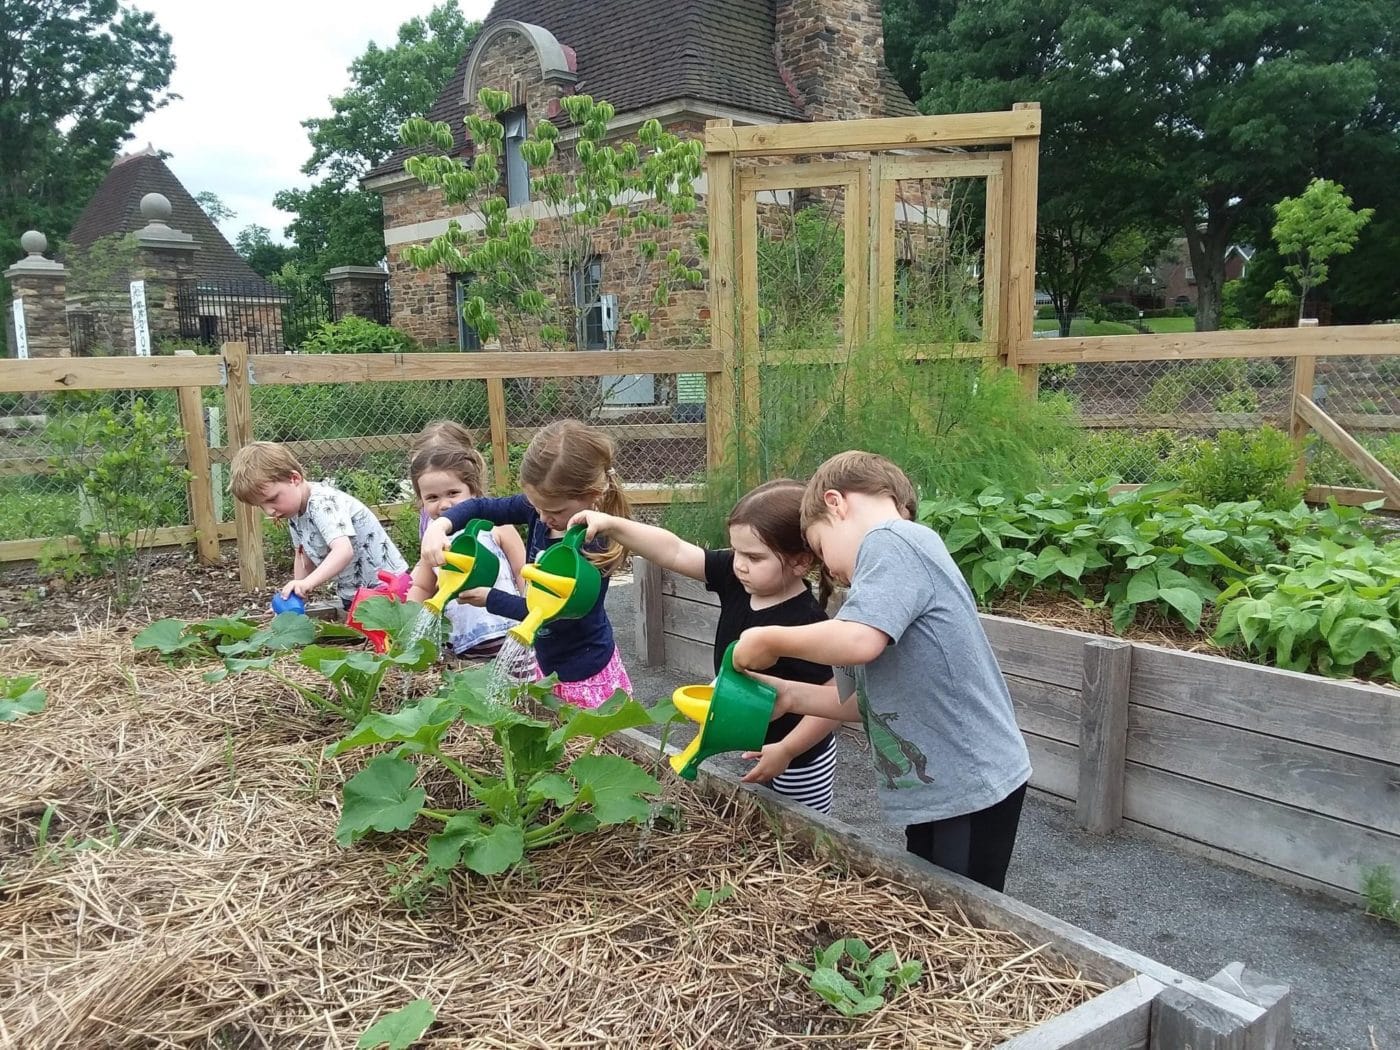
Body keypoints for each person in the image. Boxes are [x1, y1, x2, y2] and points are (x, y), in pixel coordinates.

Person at [732, 451, 1031, 892]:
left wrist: (768, 639)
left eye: (819, 547)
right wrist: (791, 696)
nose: (829, 567)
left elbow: (858, 642)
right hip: (941, 788)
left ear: (835, 504)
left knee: (961, 913)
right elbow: (871, 701)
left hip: (968, 783)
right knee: (930, 898)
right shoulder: (886, 573)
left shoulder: (893, 539)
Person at [571, 479, 842, 812]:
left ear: (800, 562)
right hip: (753, 737)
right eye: (736, 550)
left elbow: (833, 701)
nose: (739, 563)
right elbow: (673, 550)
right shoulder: (736, 578)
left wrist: (786, 750)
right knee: (757, 819)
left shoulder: (805, 622)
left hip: (800, 756)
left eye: (754, 557)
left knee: (800, 829)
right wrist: (613, 525)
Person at [420, 419, 632, 707]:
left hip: (584, 669)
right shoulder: (539, 509)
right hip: (546, 658)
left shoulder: (594, 544)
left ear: (592, 495)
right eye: (536, 506)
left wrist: (493, 599)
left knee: (583, 739)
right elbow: (481, 506)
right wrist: (440, 526)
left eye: (554, 510)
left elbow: (557, 614)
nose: (543, 517)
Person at [230, 441, 408, 611]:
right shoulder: (294, 511)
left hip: (388, 588)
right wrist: (293, 596)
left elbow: (343, 551)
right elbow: (303, 557)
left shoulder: (323, 503)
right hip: (355, 593)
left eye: (272, 499)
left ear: (294, 478)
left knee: (387, 639)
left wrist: (307, 583)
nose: (269, 511)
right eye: (261, 505)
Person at [404, 442, 527, 660]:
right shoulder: (433, 541)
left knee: (522, 690)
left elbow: (522, 570)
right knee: (468, 689)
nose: (444, 504)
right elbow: (422, 586)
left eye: (453, 493)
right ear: (421, 501)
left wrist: (527, 607)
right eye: (432, 497)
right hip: (461, 642)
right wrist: (407, 620)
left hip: (507, 631)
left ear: (473, 491)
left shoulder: (496, 527)